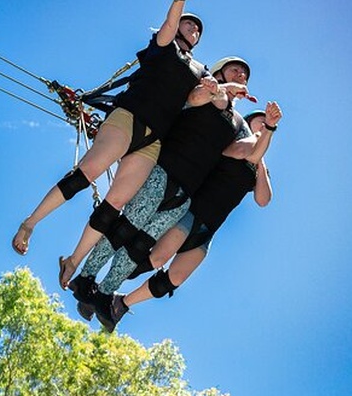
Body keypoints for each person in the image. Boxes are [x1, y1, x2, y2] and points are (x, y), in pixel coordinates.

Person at [11, 0, 212, 261]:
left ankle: (73, 260)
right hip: (130, 116)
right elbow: (169, 25)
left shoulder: (200, 70)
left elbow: (194, 99)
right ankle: (29, 223)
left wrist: (219, 90)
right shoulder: (163, 45)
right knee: (88, 172)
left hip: (154, 137)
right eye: (189, 23)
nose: (193, 29)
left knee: (116, 202)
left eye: (197, 29)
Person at [68, 59, 273, 327]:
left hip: (186, 190)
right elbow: (196, 98)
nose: (242, 74)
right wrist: (221, 87)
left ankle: (104, 293)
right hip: (164, 168)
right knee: (126, 227)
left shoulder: (236, 125)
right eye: (235, 69)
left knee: (140, 244)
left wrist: (266, 130)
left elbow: (247, 152)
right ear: (220, 71)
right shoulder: (207, 88)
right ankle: (85, 278)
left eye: (245, 74)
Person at [93, 105, 281, 331]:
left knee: (176, 277)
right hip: (192, 210)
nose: (262, 126)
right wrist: (263, 135)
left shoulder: (260, 167)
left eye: (266, 123)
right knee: (157, 258)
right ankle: (100, 289)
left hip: (210, 226)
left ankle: (121, 303)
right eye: (258, 122)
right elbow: (243, 152)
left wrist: (261, 161)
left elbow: (263, 199)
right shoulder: (234, 142)